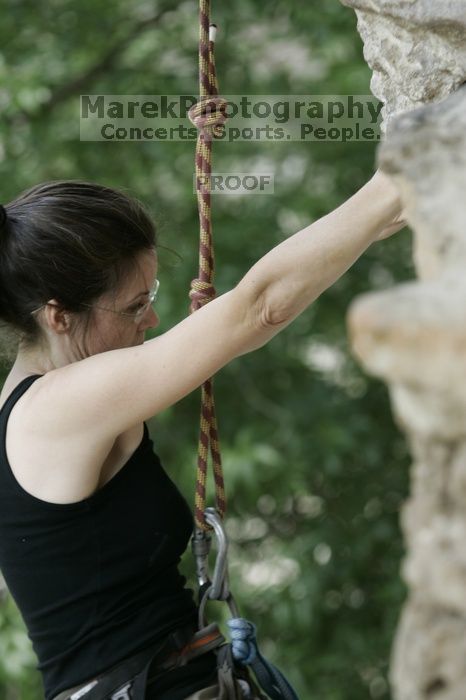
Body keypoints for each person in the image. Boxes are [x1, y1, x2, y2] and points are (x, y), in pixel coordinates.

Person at [0, 172, 404, 700]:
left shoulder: (39, 403)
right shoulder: (56, 410)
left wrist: (389, 209)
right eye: (133, 306)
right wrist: (398, 176)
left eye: (152, 295)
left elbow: (263, 308)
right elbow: (259, 308)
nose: (153, 318)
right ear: (58, 317)